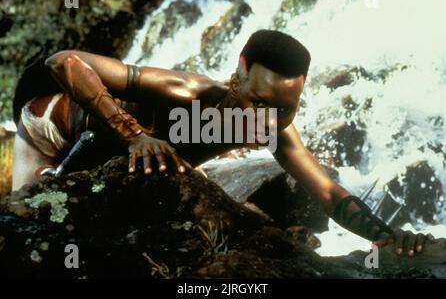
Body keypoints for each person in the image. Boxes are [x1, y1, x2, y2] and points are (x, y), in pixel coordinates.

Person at [12, 30, 434, 256]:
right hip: (51, 129)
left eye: (284, 109)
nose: (264, 121)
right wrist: (135, 135)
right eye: (257, 102)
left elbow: (327, 192)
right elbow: (65, 62)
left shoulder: (276, 127)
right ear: (239, 75)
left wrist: (388, 236)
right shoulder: (187, 91)